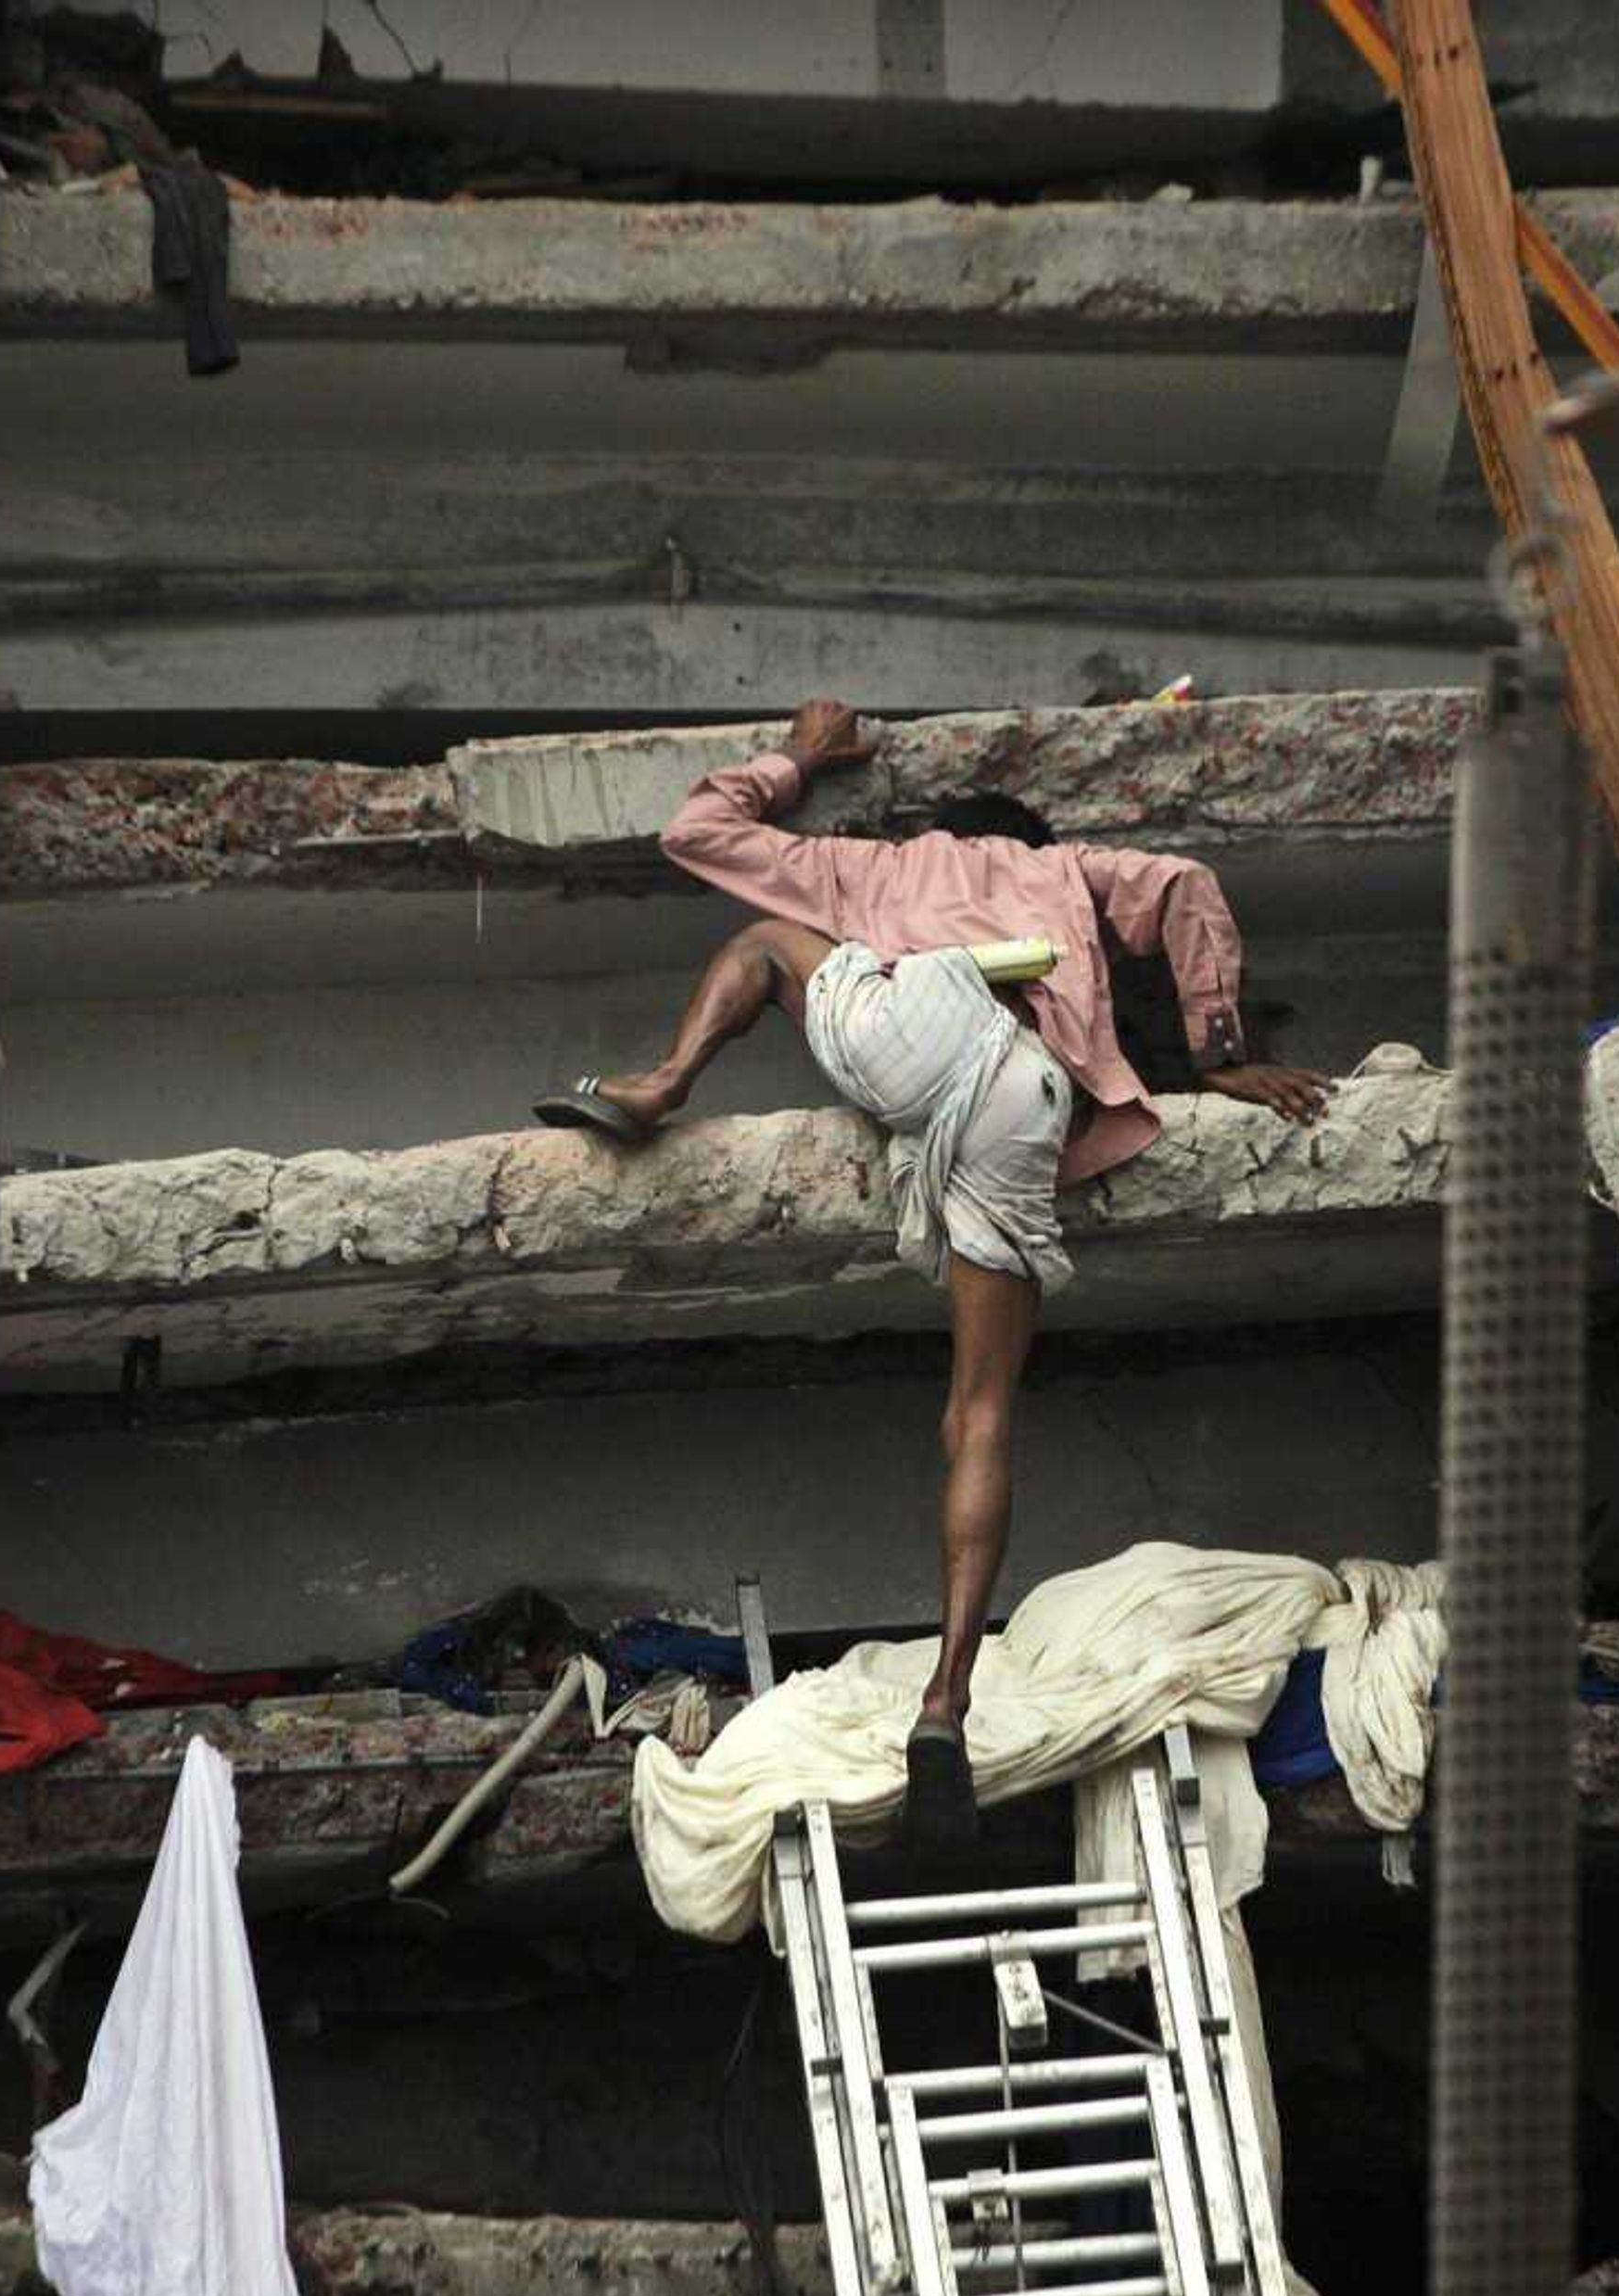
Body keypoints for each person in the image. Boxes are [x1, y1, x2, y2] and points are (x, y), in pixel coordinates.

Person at [533, 697, 1331, 1846]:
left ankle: (658, 1086)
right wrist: (1224, 1056)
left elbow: (698, 831)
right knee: (981, 1410)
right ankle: (947, 1700)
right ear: (1031, 834)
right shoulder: (1071, 869)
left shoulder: (873, 863)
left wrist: (799, 758)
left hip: (899, 1037)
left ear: (939, 826)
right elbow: (1191, 883)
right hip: (1019, 1091)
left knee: (761, 942)